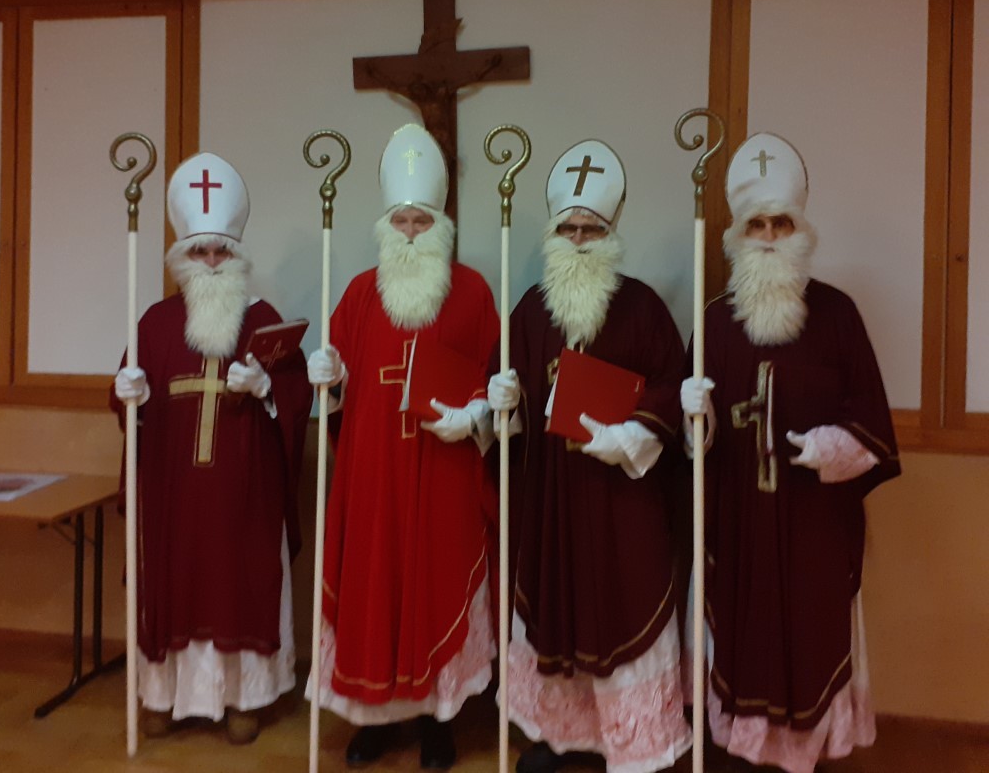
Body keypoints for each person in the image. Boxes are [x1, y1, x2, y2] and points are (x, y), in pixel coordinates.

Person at [680, 132, 901, 773]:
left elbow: (872, 421)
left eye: (782, 223)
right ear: (738, 236)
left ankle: (805, 754)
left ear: (801, 229)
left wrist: (831, 447)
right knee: (743, 634)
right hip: (741, 519)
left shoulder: (838, 315)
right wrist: (694, 419)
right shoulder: (714, 322)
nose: (771, 236)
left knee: (811, 632)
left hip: (814, 523)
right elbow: (691, 447)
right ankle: (744, 750)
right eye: (757, 224)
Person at [488, 139, 693, 773]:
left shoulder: (643, 308)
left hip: (621, 499)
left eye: (592, 229)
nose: (579, 240)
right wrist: (503, 403)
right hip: (553, 497)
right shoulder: (530, 311)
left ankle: (634, 744)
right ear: (553, 234)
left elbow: (671, 388)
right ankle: (561, 736)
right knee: (557, 609)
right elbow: (506, 399)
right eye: (568, 229)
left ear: (611, 233)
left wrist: (629, 435)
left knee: (623, 604)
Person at [306, 123, 500, 770]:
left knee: (434, 585)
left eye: (422, 220)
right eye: (402, 220)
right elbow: (338, 388)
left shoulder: (472, 292)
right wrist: (329, 380)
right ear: (386, 225)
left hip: (444, 472)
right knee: (376, 591)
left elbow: (496, 382)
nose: (412, 231)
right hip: (374, 476)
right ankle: (374, 720)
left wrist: (476, 415)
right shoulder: (360, 293)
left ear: (441, 224)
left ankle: (438, 721)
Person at [111, 151, 312, 745]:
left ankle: (243, 699)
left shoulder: (264, 319)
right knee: (172, 584)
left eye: (221, 250)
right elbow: (129, 399)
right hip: (173, 495)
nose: (211, 260)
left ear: (237, 253)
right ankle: (164, 695)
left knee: (240, 585)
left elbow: (298, 397)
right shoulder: (153, 324)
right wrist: (125, 393)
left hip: (243, 499)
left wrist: (268, 387)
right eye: (199, 250)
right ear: (182, 256)